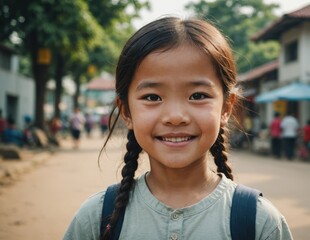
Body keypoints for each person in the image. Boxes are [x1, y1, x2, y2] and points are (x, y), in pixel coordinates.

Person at [63, 17, 293, 240]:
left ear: (226, 107)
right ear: (126, 111)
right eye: (152, 97)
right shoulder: (96, 218)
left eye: (198, 96)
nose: (175, 117)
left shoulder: (259, 222)